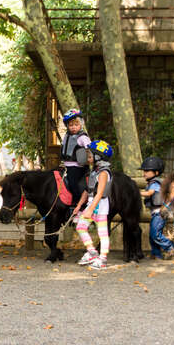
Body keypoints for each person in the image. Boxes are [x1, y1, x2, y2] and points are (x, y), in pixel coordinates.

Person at [73, 140, 113, 270]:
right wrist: (79, 206)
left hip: (100, 206)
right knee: (80, 226)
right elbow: (87, 190)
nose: (88, 158)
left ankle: (103, 259)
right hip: (91, 203)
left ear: (98, 157)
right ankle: (92, 252)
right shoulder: (94, 171)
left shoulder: (103, 173)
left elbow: (100, 192)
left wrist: (90, 209)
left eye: (90, 156)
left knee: (102, 233)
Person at [139, 156, 174, 260]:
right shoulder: (152, 182)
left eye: (147, 171)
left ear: (156, 172)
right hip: (155, 213)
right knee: (152, 235)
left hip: (159, 213)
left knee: (155, 234)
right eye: (144, 171)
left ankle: (169, 247)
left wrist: (137, 193)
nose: (144, 173)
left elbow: (150, 193)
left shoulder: (155, 183)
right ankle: (156, 254)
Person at [60, 109, 91, 213]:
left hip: (78, 167)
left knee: (73, 183)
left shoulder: (82, 137)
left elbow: (89, 149)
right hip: (66, 165)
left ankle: (78, 204)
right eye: (71, 125)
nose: (73, 127)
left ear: (81, 124)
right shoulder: (67, 136)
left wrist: (90, 157)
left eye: (76, 124)